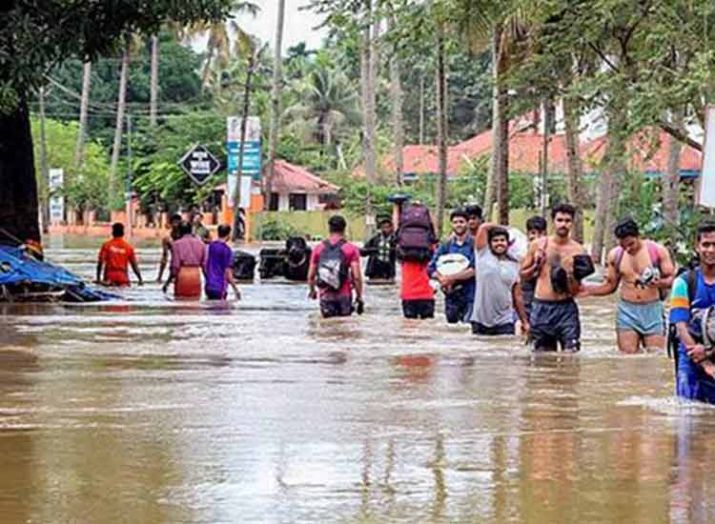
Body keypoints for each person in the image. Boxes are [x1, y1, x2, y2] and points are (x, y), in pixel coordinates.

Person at [584, 217, 674, 353]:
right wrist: (585, 290)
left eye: (631, 244)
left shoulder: (657, 251)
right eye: (623, 245)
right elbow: (609, 286)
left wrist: (659, 283)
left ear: (638, 236)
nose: (628, 248)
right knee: (627, 359)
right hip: (627, 311)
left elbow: (672, 280)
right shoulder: (615, 255)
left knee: (655, 358)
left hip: (652, 309)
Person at [520, 203, 589, 352]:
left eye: (567, 221)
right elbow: (523, 275)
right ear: (553, 222)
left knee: (572, 354)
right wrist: (537, 265)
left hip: (566, 308)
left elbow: (577, 290)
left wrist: (570, 274)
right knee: (542, 359)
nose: (563, 224)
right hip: (541, 307)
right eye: (560, 220)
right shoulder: (538, 245)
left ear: (572, 223)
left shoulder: (578, 250)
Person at [669, 222, 715, 403]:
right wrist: (703, 360)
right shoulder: (683, 282)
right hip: (690, 354)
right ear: (697, 247)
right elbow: (680, 326)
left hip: (711, 349)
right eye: (706, 245)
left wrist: (710, 352)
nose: (711, 250)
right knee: (687, 412)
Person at [470, 223, 528, 335]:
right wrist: (508, 228)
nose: (499, 243)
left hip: (505, 321)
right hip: (480, 320)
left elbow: (517, 296)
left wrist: (524, 321)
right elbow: (483, 227)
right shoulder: (483, 255)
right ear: (490, 244)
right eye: (495, 241)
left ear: (508, 243)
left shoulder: (515, 265)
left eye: (502, 240)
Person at [307, 215, 363, 318]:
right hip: (344, 294)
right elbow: (356, 277)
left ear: (329, 228)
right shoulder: (351, 249)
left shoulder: (318, 249)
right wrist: (359, 296)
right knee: (344, 328)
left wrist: (312, 291)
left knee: (328, 328)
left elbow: (310, 276)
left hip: (325, 295)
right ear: (344, 228)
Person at [428, 209, 476, 323]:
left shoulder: (474, 244)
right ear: (451, 224)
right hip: (450, 296)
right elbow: (431, 268)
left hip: (470, 295)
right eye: (455, 222)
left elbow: (475, 270)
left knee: (468, 327)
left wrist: (451, 278)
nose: (458, 225)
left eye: (461, 222)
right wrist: (441, 279)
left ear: (467, 223)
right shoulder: (446, 245)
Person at [163, 221, 206, 299]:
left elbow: (175, 266)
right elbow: (205, 266)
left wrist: (167, 282)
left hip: (182, 276)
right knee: (195, 303)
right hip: (196, 276)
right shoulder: (201, 244)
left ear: (179, 231)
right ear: (191, 230)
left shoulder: (176, 245)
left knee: (180, 304)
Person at [96, 223, 143, 287]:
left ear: (113, 232)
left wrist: (98, 278)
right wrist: (140, 279)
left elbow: (100, 262)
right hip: (123, 277)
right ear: (123, 233)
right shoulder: (128, 247)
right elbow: (134, 265)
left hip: (110, 277)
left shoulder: (106, 245)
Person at [204, 224, 241, 300]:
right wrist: (236, 290)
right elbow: (228, 272)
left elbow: (205, 264)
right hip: (220, 287)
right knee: (221, 310)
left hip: (208, 286)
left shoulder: (211, 246)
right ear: (228, 235)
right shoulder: (226, 250)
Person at [522, 216, 548, 319]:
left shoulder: (550, 250)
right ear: (527, 234)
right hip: (526, 295)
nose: (536, 237)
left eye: (540, 233)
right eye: (533, 233)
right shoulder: (521, 251)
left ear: (545, 234)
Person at [362, 216, 397, 281]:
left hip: (388, 270)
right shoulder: (375, 239)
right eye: (383, 227)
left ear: (391, 228)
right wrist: (373, 250)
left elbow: (399, 255)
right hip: (375, 268)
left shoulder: (394, 240)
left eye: (387, 227)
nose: (385, 230)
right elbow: (363, 252)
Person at [156, 213, 183, 282]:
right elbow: (164, 257)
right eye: (174, 222)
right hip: (174, 265)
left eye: (177, 222)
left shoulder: (185, 237)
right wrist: (160, 276)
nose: (175, 225)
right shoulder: (167, 239)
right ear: (170, 224)